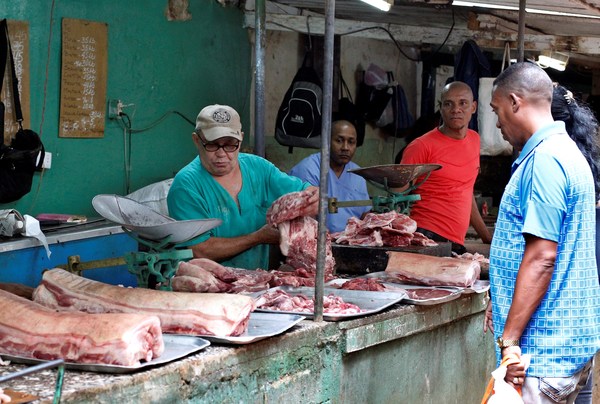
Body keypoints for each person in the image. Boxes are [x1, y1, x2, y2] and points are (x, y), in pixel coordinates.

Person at [484, 62, 600, 403]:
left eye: (497, 110)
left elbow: (542, 258)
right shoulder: (567, 152)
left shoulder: (545, 161)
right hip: (568, 345)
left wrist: (510, 340)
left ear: (515, 102)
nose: (498, 122)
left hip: (541, 353)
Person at [167, 104, 318, 270]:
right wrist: (257, 237)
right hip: (208, 287)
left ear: (241, 139)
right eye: (212, 144)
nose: (221, 153)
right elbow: (199, 250)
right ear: (196, 140)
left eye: (231, 144)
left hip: (255, 283)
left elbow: (307, 192)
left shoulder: (259, 168)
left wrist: (312, 199)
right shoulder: (186, 186)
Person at [399, 81, 492, 254]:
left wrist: (486, 237)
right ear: (441, 108)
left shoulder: (474, 139)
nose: (456, 109)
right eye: (448, 104)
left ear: (473, 107)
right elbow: (397, 194)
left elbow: (466, 191)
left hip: (456, 240)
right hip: (425, 237)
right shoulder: (421, 146)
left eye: (463, 103)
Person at [551, 84, 600, 404]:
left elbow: (544, 254)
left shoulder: (555, 164)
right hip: (585, 307)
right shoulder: (584, 166)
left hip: (559, 314)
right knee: (582, 387)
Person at [289, 119, 370, 233]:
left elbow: (365, 216)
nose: (345, 147)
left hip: (351, 242)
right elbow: (302, 221)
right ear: (326, 141)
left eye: (351, 142)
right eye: (339, 140)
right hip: (316, 242)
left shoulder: (358, 174)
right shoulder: (308, 170)